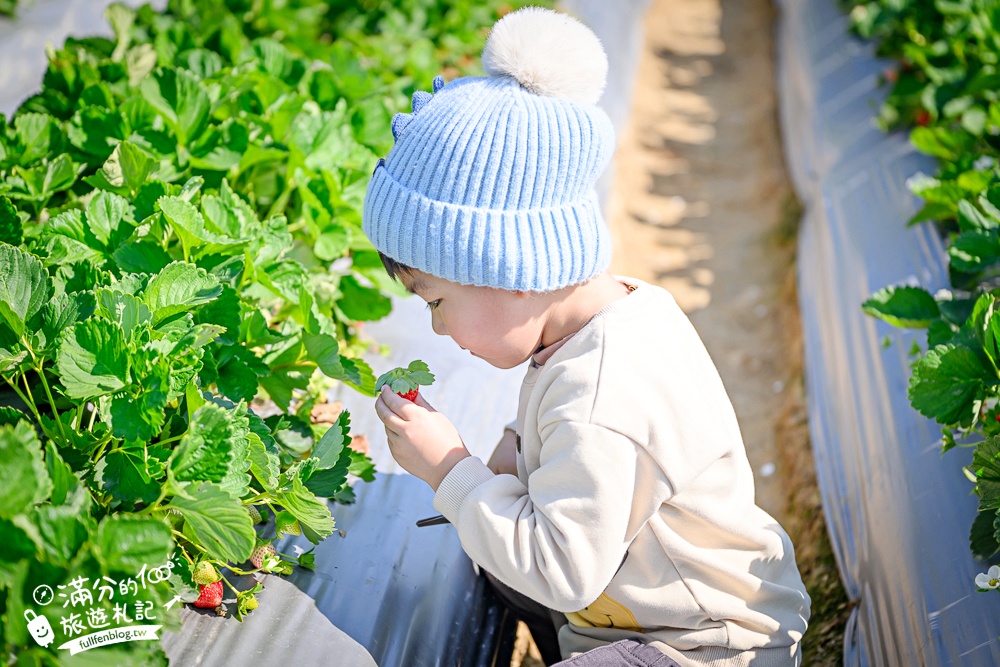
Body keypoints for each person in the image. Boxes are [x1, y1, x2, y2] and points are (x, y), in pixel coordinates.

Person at [366, 7, 810, 666]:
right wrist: (514, 453)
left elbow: (564, 567)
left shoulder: (606, 394)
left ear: (507, 268)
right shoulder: (598, 322)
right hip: (632, 611)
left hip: (704, 644)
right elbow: (558, 432)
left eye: (436, 300)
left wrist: (450, 471)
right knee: (495, 540)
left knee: (501, 532)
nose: (436, 325)